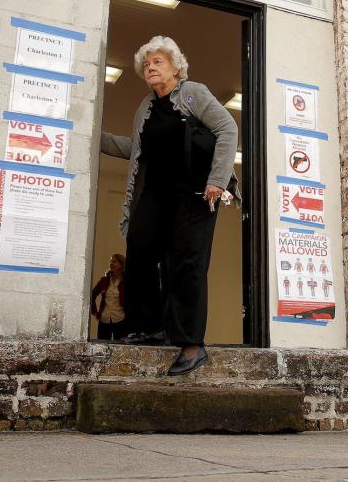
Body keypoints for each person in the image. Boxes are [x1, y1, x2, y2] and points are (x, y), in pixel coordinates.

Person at [100, 35, 238, 376]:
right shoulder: (145, 107)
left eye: (157, 61)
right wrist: (93, 136)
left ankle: (192, 345)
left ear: (176, 66)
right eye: (146, 64)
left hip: (196, 194)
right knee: (141, 248)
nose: (150, 68)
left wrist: (218, 181)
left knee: (187, 265)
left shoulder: (193, 93)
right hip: (157, 195)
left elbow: (227, 128)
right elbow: (136, 147)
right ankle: (149, 327)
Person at [90, 253, 127, 340]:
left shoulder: (126, 281)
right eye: (110, 261)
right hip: (104, 319)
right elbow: (92, 295)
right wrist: (94, 311)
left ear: (121, 265)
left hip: (120, 319)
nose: (111, 263)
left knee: (121, 347)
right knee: (102, 345)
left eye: (114, 262)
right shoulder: (104, 280)